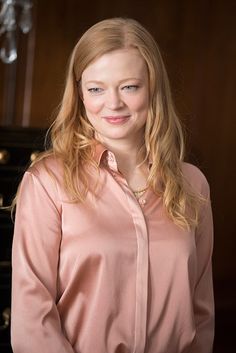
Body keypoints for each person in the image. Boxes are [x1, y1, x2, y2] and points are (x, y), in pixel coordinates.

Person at [11, 17, 214, 353]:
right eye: (96, 88)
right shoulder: (47, 183)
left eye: (129, 86)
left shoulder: (193, 185)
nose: (113, 103)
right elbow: (32, 321)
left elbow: (201, 312)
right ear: (79, 94)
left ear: (153, 87)